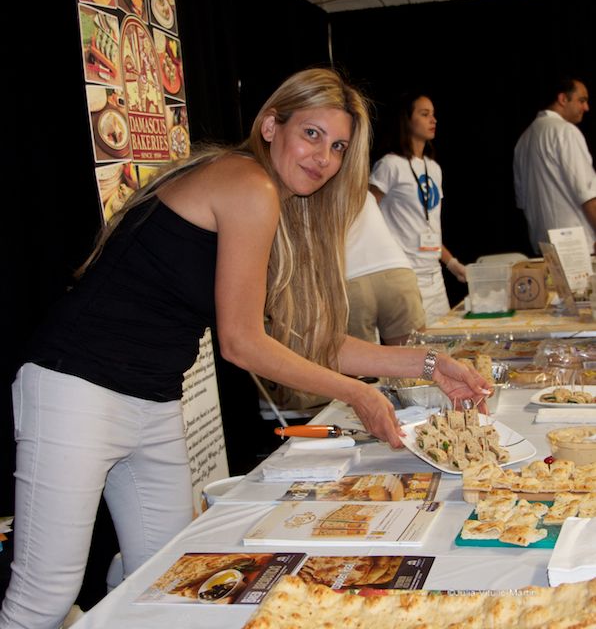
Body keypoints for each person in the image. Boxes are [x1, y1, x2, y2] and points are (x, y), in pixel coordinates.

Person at [0, 68, 491, 629]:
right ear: (269, 124)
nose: (323, 158)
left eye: (337, 147)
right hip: (76, 388)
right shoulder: (247, 184)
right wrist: (358, 394)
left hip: (154, 399)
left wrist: (430, 365)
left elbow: (311, 342)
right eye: (311, 135)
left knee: (165, 581)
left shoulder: (277, 204)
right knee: (44, 598)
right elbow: (241, 343)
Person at [369, 92, 467, 326]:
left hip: (434, 276)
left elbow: (428, 226)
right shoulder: (390, 165)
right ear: (406, 120)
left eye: (433, 115)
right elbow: (365, 214)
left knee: (442, 347)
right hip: (405, 275)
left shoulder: (433, 168)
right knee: (416, 354)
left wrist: (452, 264)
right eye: (424, 114)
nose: (433, 120)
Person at [513, 77, 596, 255]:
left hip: (544, 248)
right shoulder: (566, 131)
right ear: (563, 99)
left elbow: (522, 202)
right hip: (577, 249)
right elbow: (587, 193)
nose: (586, 108)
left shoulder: (523, 140)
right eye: (582, 100)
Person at [345, 190, 425, 345]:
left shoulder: (308, 196)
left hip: (350, 280)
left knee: (361, 365)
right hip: (396, 271)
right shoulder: (364, 193)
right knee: (417, 358)